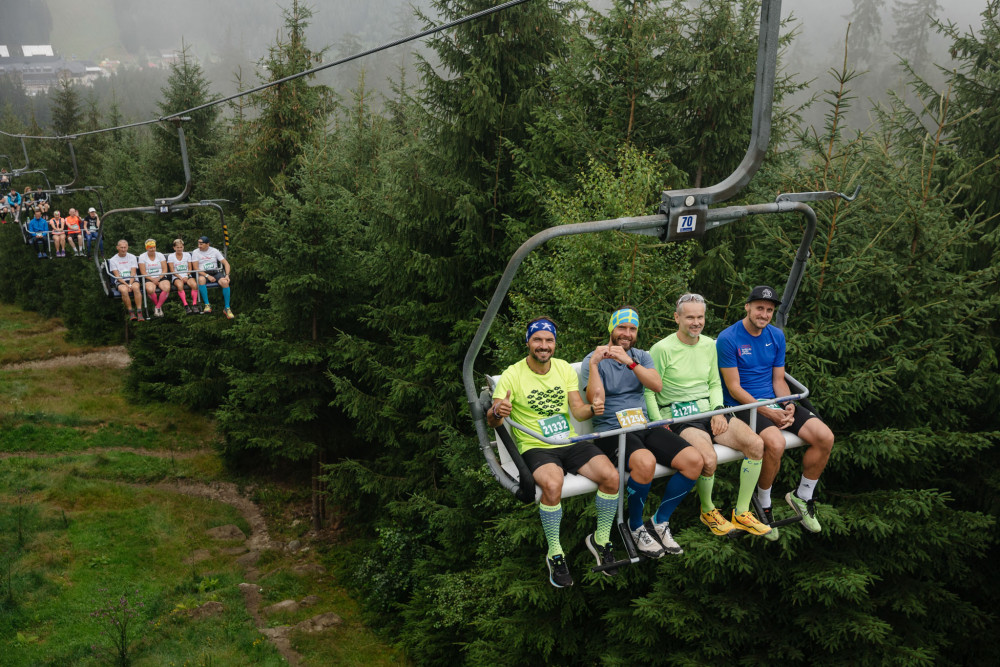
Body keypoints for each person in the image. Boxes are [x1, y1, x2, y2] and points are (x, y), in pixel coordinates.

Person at [489, 318, 620, 588]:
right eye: (537, 340)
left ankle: (601, 538)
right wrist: (497, 412)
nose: (543, 345)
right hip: (536, 445)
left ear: (555, 344)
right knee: (552, 484)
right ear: (528, 342)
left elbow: (577, 410)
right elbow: (494, 418)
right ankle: (555, 553)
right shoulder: (512, 374)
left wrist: (592, 408)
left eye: (549, 341)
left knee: (611, 476)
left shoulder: (562, 369)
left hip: (569, 441)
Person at [645, 293, 772, 538]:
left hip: (710, 410)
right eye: (690, 317)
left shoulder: (710, 345)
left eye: (700, 317)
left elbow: (715, 383)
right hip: (679, 414)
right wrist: (660, 423)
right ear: (677, 318)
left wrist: (717, 411)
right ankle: (708, 510)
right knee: (708, 459)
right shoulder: (661, 349)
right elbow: (649, 391)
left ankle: (742, 512)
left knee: (756, 444)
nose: (696, 322)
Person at [581, 308, 703, 557]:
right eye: (621, 328)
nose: (627, 334)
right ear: (611, 329)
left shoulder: (641, 357)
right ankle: (635, 525)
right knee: (644, 462)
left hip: (643, 425)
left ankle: (659, 521)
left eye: (632, 329)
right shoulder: (593, 359)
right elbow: (595, 400)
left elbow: (656, 385)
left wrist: (630, 362)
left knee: (694, 461)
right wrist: (595, 364)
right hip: (612, 430)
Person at [717, 285, 835, 535]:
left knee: (825, 437)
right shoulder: (728, 338)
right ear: (747, 307)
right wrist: (767, 411)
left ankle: (803, 496)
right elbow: (734, 387)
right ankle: (764, 502)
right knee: (775, 443)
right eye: (760, 308)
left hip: (773, 401)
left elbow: (779, 380)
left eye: (769, 310)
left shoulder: (776, 336)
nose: (764, 314)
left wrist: (788, 404)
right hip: (744, 406)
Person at [191, 236, 234, 319]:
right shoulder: (195, 252)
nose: (199, 246)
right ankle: (207, 304)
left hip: (214, 271)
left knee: (225, 282)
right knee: (201, 280)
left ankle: (227, 308)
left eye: (201, 244)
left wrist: (227, 275)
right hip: (203, 273)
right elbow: (196, 268)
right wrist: (207, 276)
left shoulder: (214, 251)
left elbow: (226, 263)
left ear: (207, 244)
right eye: (198, 243)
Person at [107, 239, 144, 321]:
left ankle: (139, 311)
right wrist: (127, 285)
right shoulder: (113, 260)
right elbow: (117, 276)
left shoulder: (132, 257)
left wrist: (130, 284)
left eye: (125, 247)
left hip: (132, 279)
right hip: (121, 281)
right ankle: (131, 311)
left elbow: (133, 272)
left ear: (127, 247)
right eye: (121, 248)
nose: (123, 249)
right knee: (124, 290)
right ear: (117, 248)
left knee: (136, 288)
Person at [137, 239, 171, 318]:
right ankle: (158, 306)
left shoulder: (160, 255)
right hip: (149, 277)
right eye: (150, 248)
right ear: (146, 248)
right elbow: (143, 272)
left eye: (154, 247)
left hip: (160, 277)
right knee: (150, 289)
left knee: (167, 288)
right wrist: (153, 280)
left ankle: (157, 307)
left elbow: (165, 269)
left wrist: (158, 278)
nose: (152, 249)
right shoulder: (142, 257)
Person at [168, 238, 200, 314]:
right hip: (177, 276)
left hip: (187, 275)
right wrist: (180, 277)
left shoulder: (187, 255)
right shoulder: (171, 256)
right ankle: (186, 305)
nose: (179, 249)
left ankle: (194, 304)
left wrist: (187, 276)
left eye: (181, 247)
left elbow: (190, 268)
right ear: (174, 248)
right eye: (177, 247)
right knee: (180, 286)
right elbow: (172, 270)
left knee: (194, 285)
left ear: (183, 247)